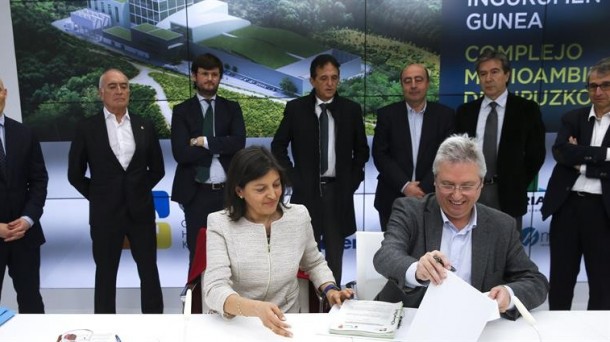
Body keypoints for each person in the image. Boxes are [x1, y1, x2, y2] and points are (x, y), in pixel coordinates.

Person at [373, 134, 548, 320]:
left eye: (466, 186)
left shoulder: (501, 225)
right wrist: (417, 270)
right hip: (407, 321)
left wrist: (509, 294)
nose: (456, 196)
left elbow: (536, 282)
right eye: (447, 185)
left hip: (472, 326)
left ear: (481, 183)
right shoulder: (409, 210)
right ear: (435, 180)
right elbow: (386, 256)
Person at [204, 146, 353, 337]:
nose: (273, 195)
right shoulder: (219, 223)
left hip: (288, 322)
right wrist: (256, 309)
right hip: (237, 324)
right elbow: (214, 288)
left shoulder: (298, 216)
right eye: (261, 189)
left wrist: (331, 289)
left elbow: (314, 263)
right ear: (239, 191)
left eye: (276, 185)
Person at [68, 69, 164, 314]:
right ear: (101, 93)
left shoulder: (145, 125)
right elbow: (74, 175)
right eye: (113, 86)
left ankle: (157, 328)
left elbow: (158, 169)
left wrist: (137, 190)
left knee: (149, 272)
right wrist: (101, 195)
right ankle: (104, 330)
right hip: (105, 215)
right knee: (105, 275)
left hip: (140, 213)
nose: (119, 91)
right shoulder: (86, 128)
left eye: (124, 86)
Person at [271, 54, 369, 285]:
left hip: (339, 193)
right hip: (306, 193)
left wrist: (352, 181)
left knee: (335, 255)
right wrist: (293, 177)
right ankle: (309, 304)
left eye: (334, 78)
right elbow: (278, 146)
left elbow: (362, 151)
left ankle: (332, 304)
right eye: (324, 78)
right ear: (313, 80)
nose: (330, 83)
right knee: (306, 254)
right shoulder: (296, 109)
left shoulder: (350, 110)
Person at [541, 57, 610, 310]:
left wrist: (580, 160)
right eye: (592, 86)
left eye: (605, 85)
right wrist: (605, 156)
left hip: (603, 212)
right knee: (560, 281)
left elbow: (572, 155)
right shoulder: (573, 117)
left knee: (603, 284)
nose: (598, 92)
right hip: (567, 208)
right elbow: (561, 152)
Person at [455, 49, 545, 232]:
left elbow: (536, 155)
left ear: (507, 75)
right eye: (483, 74)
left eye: (494, 72)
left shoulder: (526, 109)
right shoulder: (466, 112)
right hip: (470, 193)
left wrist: (515, 181)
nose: (488, 78)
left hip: (509, 195)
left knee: (506, 255)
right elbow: (457, 153)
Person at [171, 53, 246, 268]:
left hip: (228, 192)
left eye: (215, 74)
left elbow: (238, 143)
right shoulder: (182, 111)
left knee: (233, 253)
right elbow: (181, 153)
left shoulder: (232, 108)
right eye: (205, 74)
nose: (210, 79)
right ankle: (198, 301)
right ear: (195, 76)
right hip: (196, 194)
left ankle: (232, 302)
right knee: (198, 253)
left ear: (220, 77)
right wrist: (220, 145)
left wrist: (202, 141)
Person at [373, 63, 455, 231]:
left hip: (433, 197)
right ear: (402, 85)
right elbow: (380, 155)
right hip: (392, 198)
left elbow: (447, 156)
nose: (413, 85)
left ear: (427, 83)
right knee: (394, 252)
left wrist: (423, 188)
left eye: (419, 79)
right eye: (407, 81)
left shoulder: (445, 116)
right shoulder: (386, 115)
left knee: (430, 253)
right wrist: (406, 186)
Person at [0, 77, 48, 313]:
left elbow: (39, 180)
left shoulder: (24, 133)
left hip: (25, 235)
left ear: (5, 93)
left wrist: (28, 219)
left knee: (31, 303)